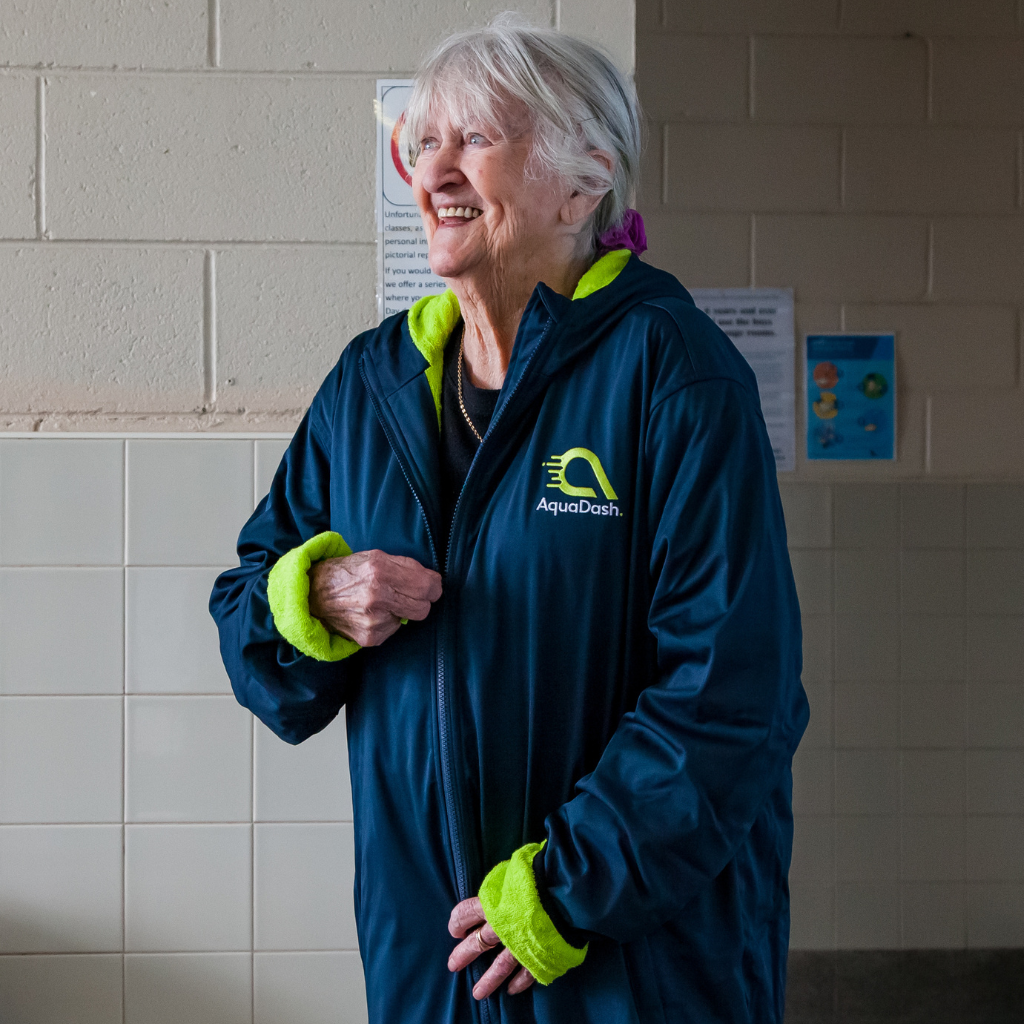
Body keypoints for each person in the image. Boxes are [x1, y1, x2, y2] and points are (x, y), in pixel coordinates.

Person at [210, 19, 808, 1024]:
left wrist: (561, 895)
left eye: (476, 139)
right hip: (431, 961)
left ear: (584, 182)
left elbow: (731, 693)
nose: (433, 170)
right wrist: (311, 597)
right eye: (423, 142)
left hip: (628, 962)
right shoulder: (371, 386)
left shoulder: (672, 374)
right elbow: (248, 619)